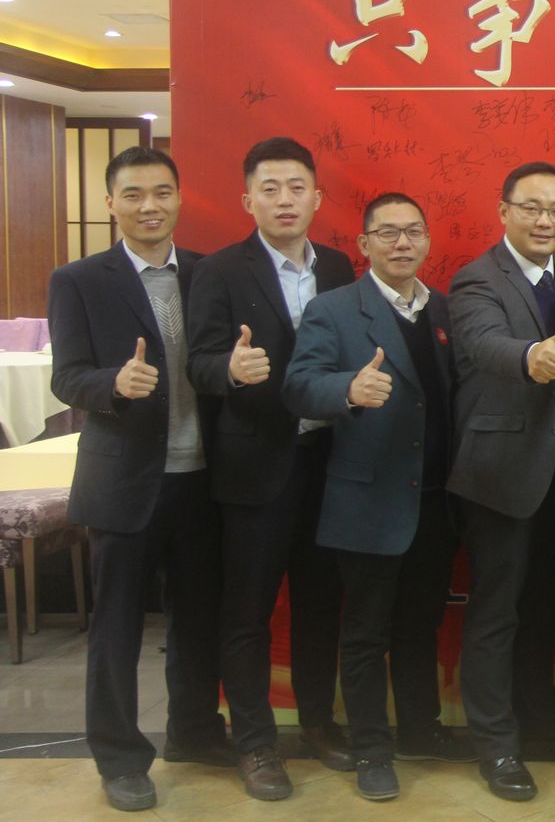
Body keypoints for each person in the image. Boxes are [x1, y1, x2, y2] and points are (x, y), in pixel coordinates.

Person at [47, 147, 229, 813]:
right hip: (124, 481)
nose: (149, 206)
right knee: (117, 627)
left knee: (198, 618)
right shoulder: (78, 280)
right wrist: (113, 384)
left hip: (202, 477)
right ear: (110, 203)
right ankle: (120, 757)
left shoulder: (209, 273)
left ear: (180, 197)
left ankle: (194, 731)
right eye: (133, 194)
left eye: (161, 192)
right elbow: (66, 376)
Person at [282, 194, 474, 801]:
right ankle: (371, 749)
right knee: (366, 633)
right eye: (387, 233)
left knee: (420, 625)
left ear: (428, 241)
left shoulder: (442, 309)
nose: (402, 243)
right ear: (364, 245)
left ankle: (420, 729)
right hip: (368, 500)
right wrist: (347, 388)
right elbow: (298, 386)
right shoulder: (334, 308)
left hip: (435, 501)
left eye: (413, 232)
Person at [185, 137, 354, 798]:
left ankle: (317, 722)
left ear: (317, 197)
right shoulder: (220, 271)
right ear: (247, 199)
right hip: (255, 466)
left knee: (321, 602)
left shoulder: (338, 266)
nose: (285, 200)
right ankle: (254, 741)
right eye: (270, 188)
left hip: (329, 463)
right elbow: (198, 361)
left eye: (296, 187)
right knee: (248, 610)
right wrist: (229, 369)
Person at [447, 161, 555, 802]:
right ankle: (496, 744)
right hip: (501, 473)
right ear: (503, 211)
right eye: (531, 207)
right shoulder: (477, 278)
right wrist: (531, 356)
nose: (544, 220)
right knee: (497, 611)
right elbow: (483, 343)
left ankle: (540, 720)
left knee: (541, 608)